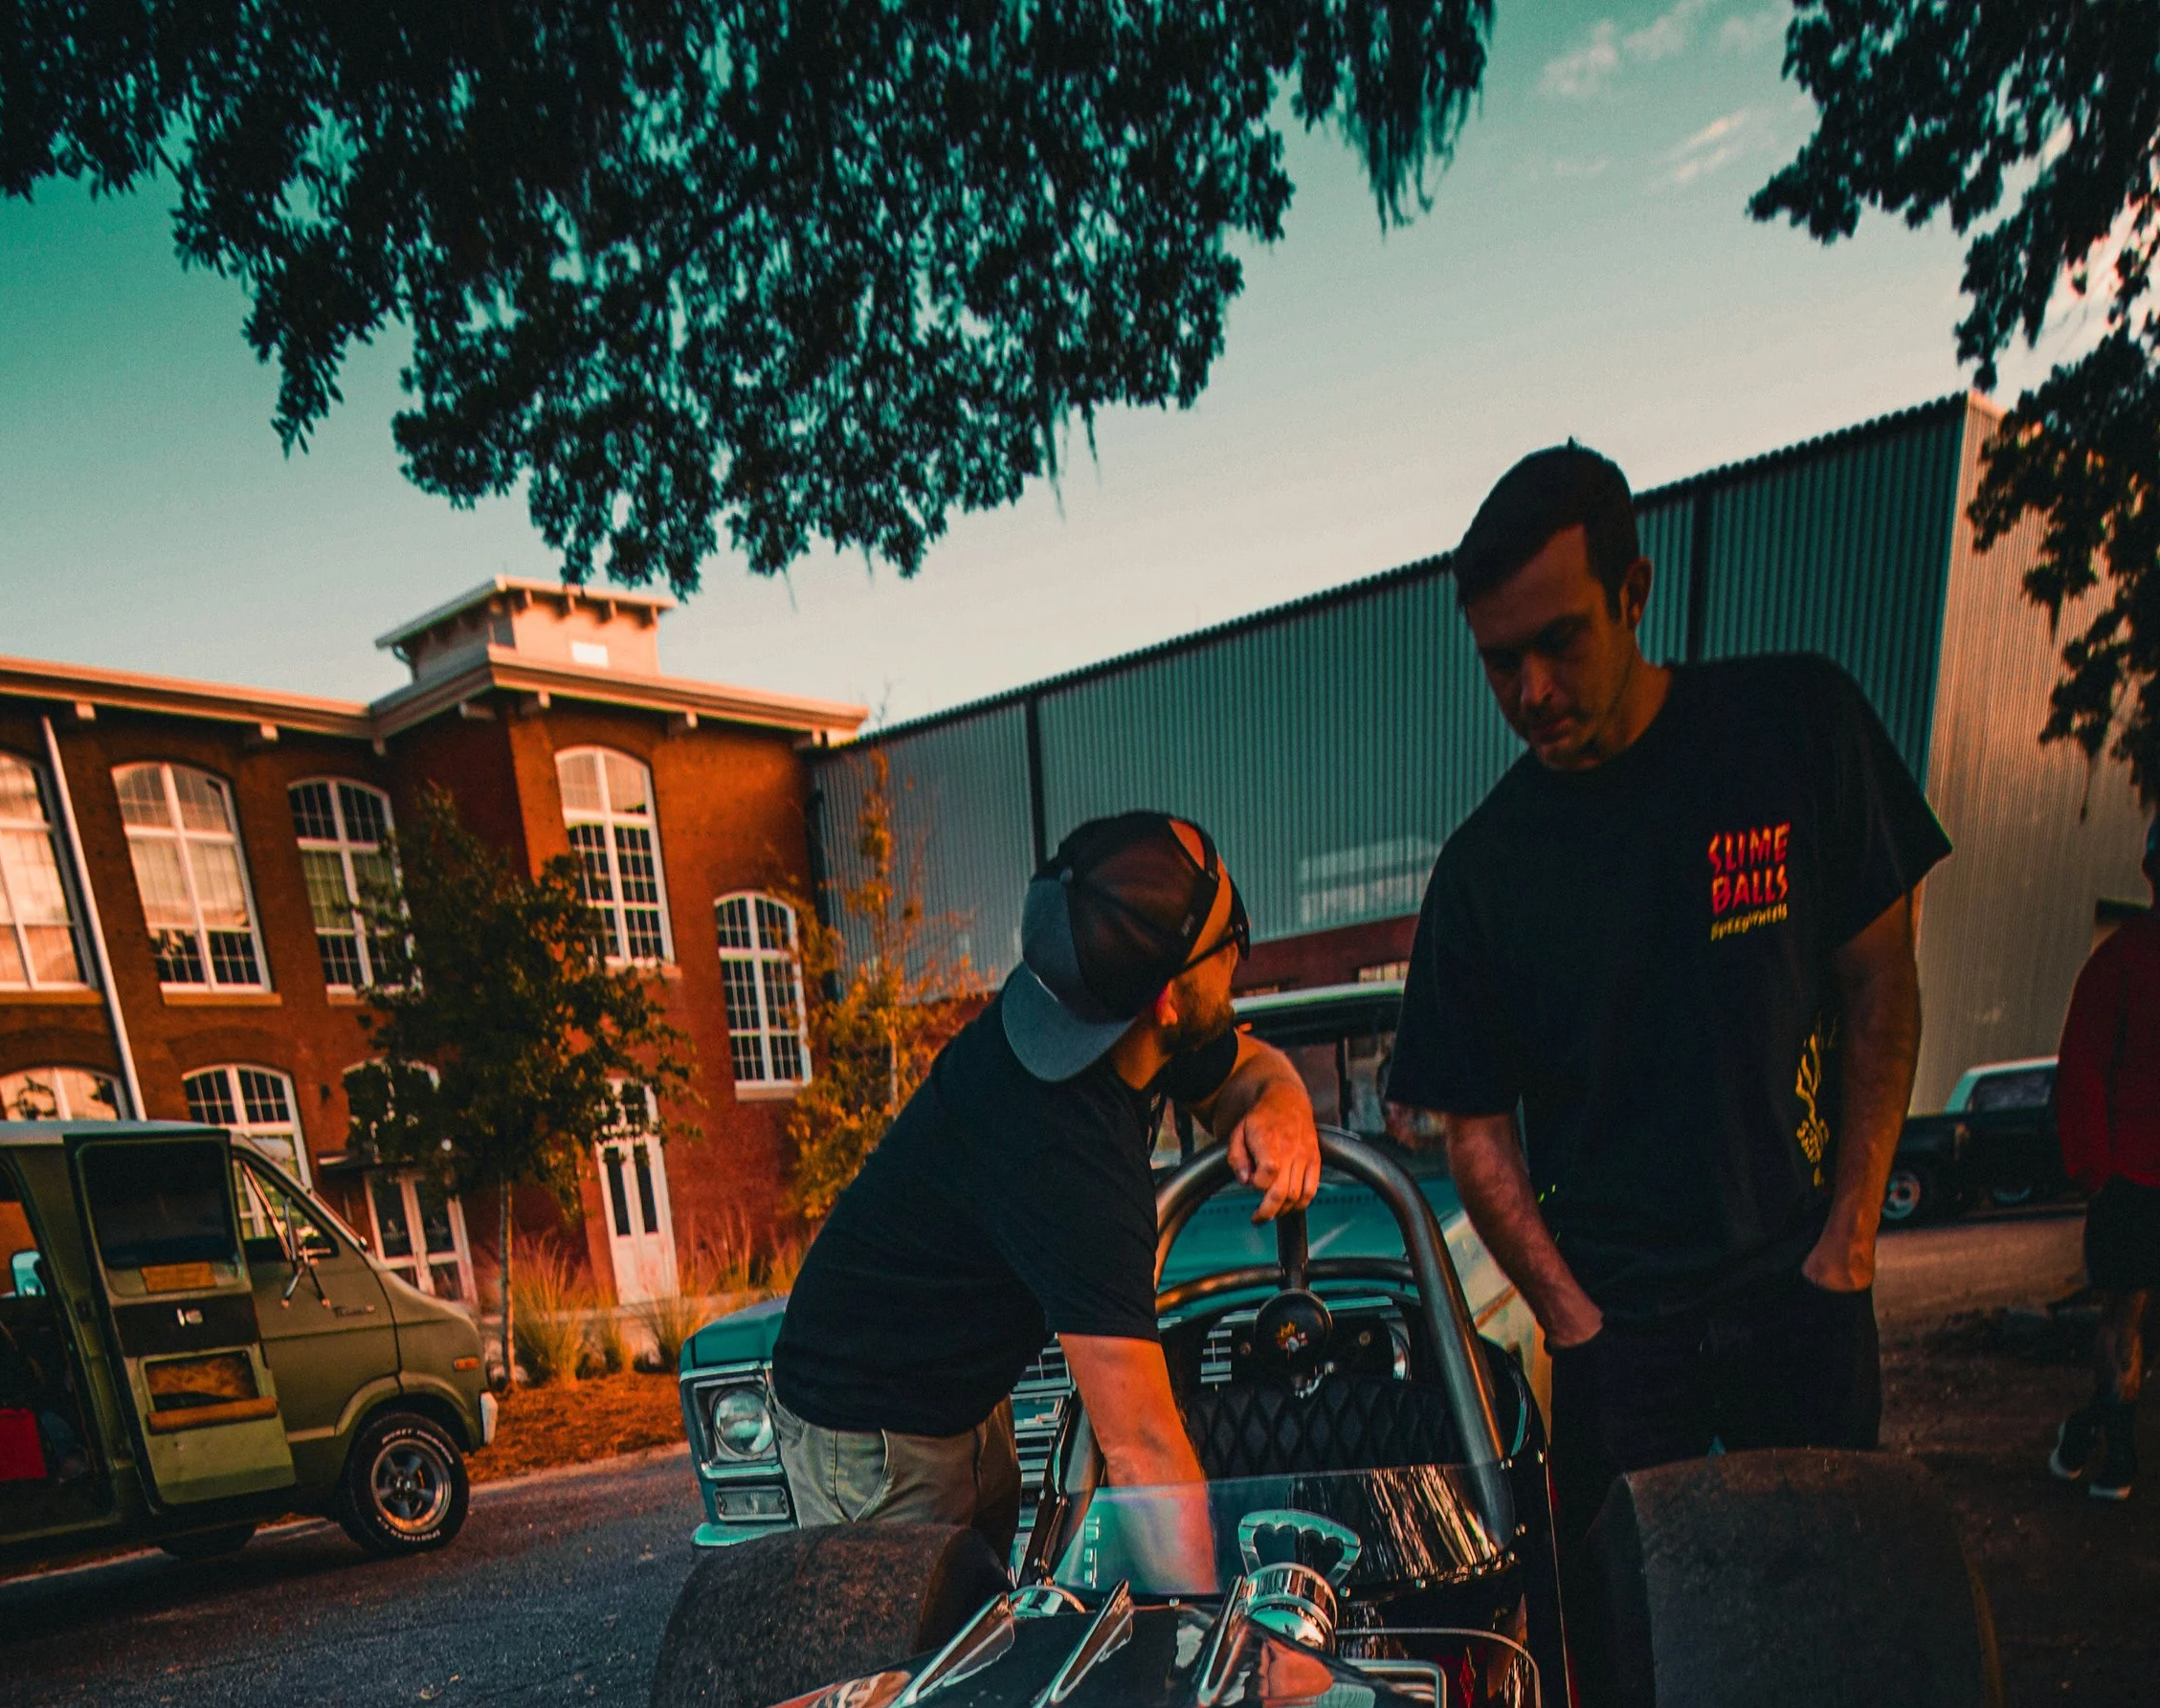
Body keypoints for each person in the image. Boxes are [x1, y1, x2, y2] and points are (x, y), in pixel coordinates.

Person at [1385, 443, 1951, 1578]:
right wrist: (1572, 1321)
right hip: (1620, 1336)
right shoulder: (1483, 871)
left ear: (1632, 594)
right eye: (1500, 663)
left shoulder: (1793, 727)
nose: (1531, 690)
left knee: (1826, 1603)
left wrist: (1848, 1241)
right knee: (1636, 1652)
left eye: (1559, 642)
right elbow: (1476, 1134)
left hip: (1800, 1290)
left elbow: (1881, 979)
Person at [768, 811, 1319, 1571]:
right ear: (1165, 1000)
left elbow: (1245, 1067)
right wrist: (1210, 1659)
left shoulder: (1101, 1011)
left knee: (990, 1636)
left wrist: (1282, 1106)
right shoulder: (1066, 1151)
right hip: (870, 1439)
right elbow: (1144, 1454)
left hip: (963, 1396)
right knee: (913, 1678)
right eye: (1236, 944)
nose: (1240, 967)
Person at [2051, 809, 2160, 1506]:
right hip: (2132, 1180)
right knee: (2123, 1311)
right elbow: (2082, 1067)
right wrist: (2099, 1171)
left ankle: (2089, 1427)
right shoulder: (2121, 960)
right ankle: (2116, 1447)